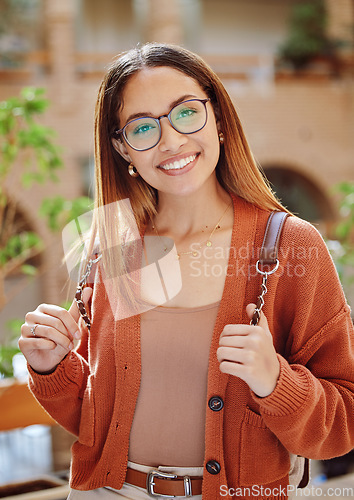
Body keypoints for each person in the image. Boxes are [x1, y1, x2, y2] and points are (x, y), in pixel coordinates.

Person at [19, 43, 354, 500]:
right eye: (142, 127)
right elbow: (95, 418)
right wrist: (53, 367)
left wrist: (276, 383)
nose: (170, 141)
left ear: (218, 116)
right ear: (122, 149)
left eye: (185, 112)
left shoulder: (288, 247)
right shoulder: (118, 245)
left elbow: (343, 423)